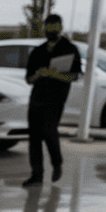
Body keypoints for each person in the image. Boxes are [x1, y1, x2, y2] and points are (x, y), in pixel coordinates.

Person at [22, 13, 81, 186]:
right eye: (48, 29)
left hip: (56, 99)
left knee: (49, 131)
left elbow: (74, 76)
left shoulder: (69, 49)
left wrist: (55, 75)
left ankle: (57, 163)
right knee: (34, 137)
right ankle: (37, 174)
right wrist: (38, 75)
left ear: (60, 28)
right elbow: (28, 79)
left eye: (54, 29)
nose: (51, 32)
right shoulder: (38, 51)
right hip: (37, 98)